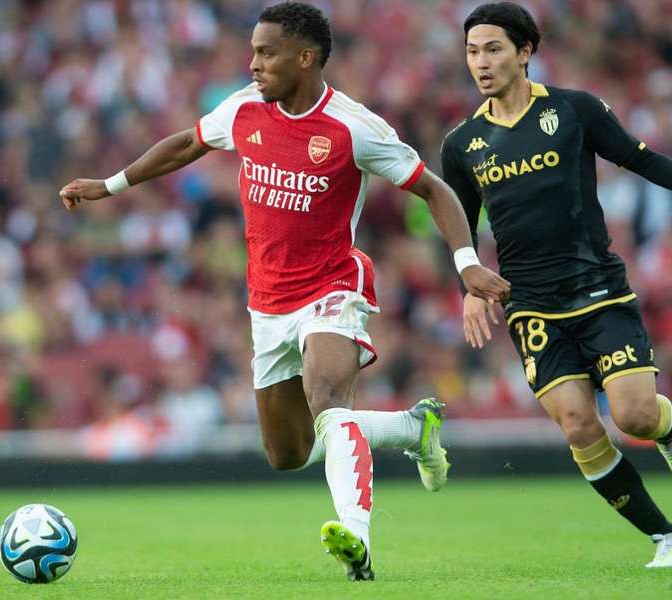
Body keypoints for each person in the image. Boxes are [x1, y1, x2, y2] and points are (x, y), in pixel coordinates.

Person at [59, 2, 509, 582]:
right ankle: (411, 428)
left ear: (305, 58)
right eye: (253, 51)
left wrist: (466, 263)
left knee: (328, 400)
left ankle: (357, 539)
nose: (253, 64)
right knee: (287, 453)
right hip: (267, 303)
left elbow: (435, 190)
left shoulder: (353, 127)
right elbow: (187, 144)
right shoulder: (245, 108)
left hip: (332, 285)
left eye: (266, 53)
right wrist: (111, 185)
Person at [441, 2, 672, 568]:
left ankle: (670, 432)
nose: (481, 62)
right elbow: (461, 225)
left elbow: (636, 155)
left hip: (596, 287)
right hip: (529, 302)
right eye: (472, 52)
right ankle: (666, 538)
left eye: (493, 49)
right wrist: (470, 286)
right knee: (577, 425)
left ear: (525, 51)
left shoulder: (572, 109)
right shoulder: (462, 143)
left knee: (634, 417)